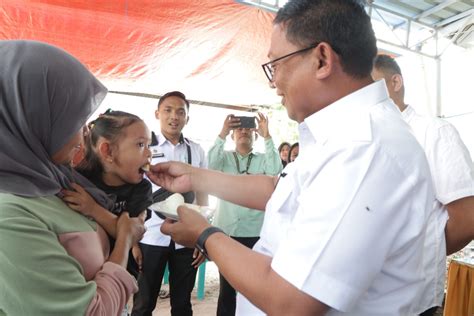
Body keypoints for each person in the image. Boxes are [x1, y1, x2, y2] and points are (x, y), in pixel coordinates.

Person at [148, 0, 436, 314]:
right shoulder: (342, 134)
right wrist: (194, 176)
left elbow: (290, 301)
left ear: (322, 59)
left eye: (276, 64)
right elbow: (279, 189)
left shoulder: (364, 148)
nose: (273, 82)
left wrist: (205, 235)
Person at [0, 40, 145, 315]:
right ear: (30, 117)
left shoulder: (50, 180)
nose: (82, 139)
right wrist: (124, 241)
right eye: (74, 122)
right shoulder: (8, 218)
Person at [372, 54, 474, 316]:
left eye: (371, 87)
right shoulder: (365, 138)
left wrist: (421, 252)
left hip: (412, 297)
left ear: (395, 82)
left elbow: (466, 218)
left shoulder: (434, 131)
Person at [132, 91, 208, 316]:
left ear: (187, 118)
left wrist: (202, 236)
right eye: (168, 110)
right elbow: (133, 192)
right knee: (143, 304)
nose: (174, 116)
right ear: (157, 114)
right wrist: (133, 242)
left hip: (186, 238)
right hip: (150, 236)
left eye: (180, 112)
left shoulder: (196, 150)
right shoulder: (143, 147)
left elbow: (202, 193)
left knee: (183, 305)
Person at [62, 110, 153, 278]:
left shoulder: (142, 188)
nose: (149, 153)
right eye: (140, 145)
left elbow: (132, 233)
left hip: (121, 274)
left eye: (149, 145)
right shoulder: (77, 180)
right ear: (108, 151)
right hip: (82, 273)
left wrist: (92, 209)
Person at [207, 113, 282, 315]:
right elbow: (210, 165)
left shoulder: (263, 159)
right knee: (227, 289)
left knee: (254, 289)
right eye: (239, 129)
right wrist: (222, 132)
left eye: (249, 129)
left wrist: (267, 136)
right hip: (227, 232)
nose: (244, 131)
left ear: (255, 135)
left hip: (255, 231)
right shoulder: (224, 158)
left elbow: (276, 171)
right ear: (232, 135)